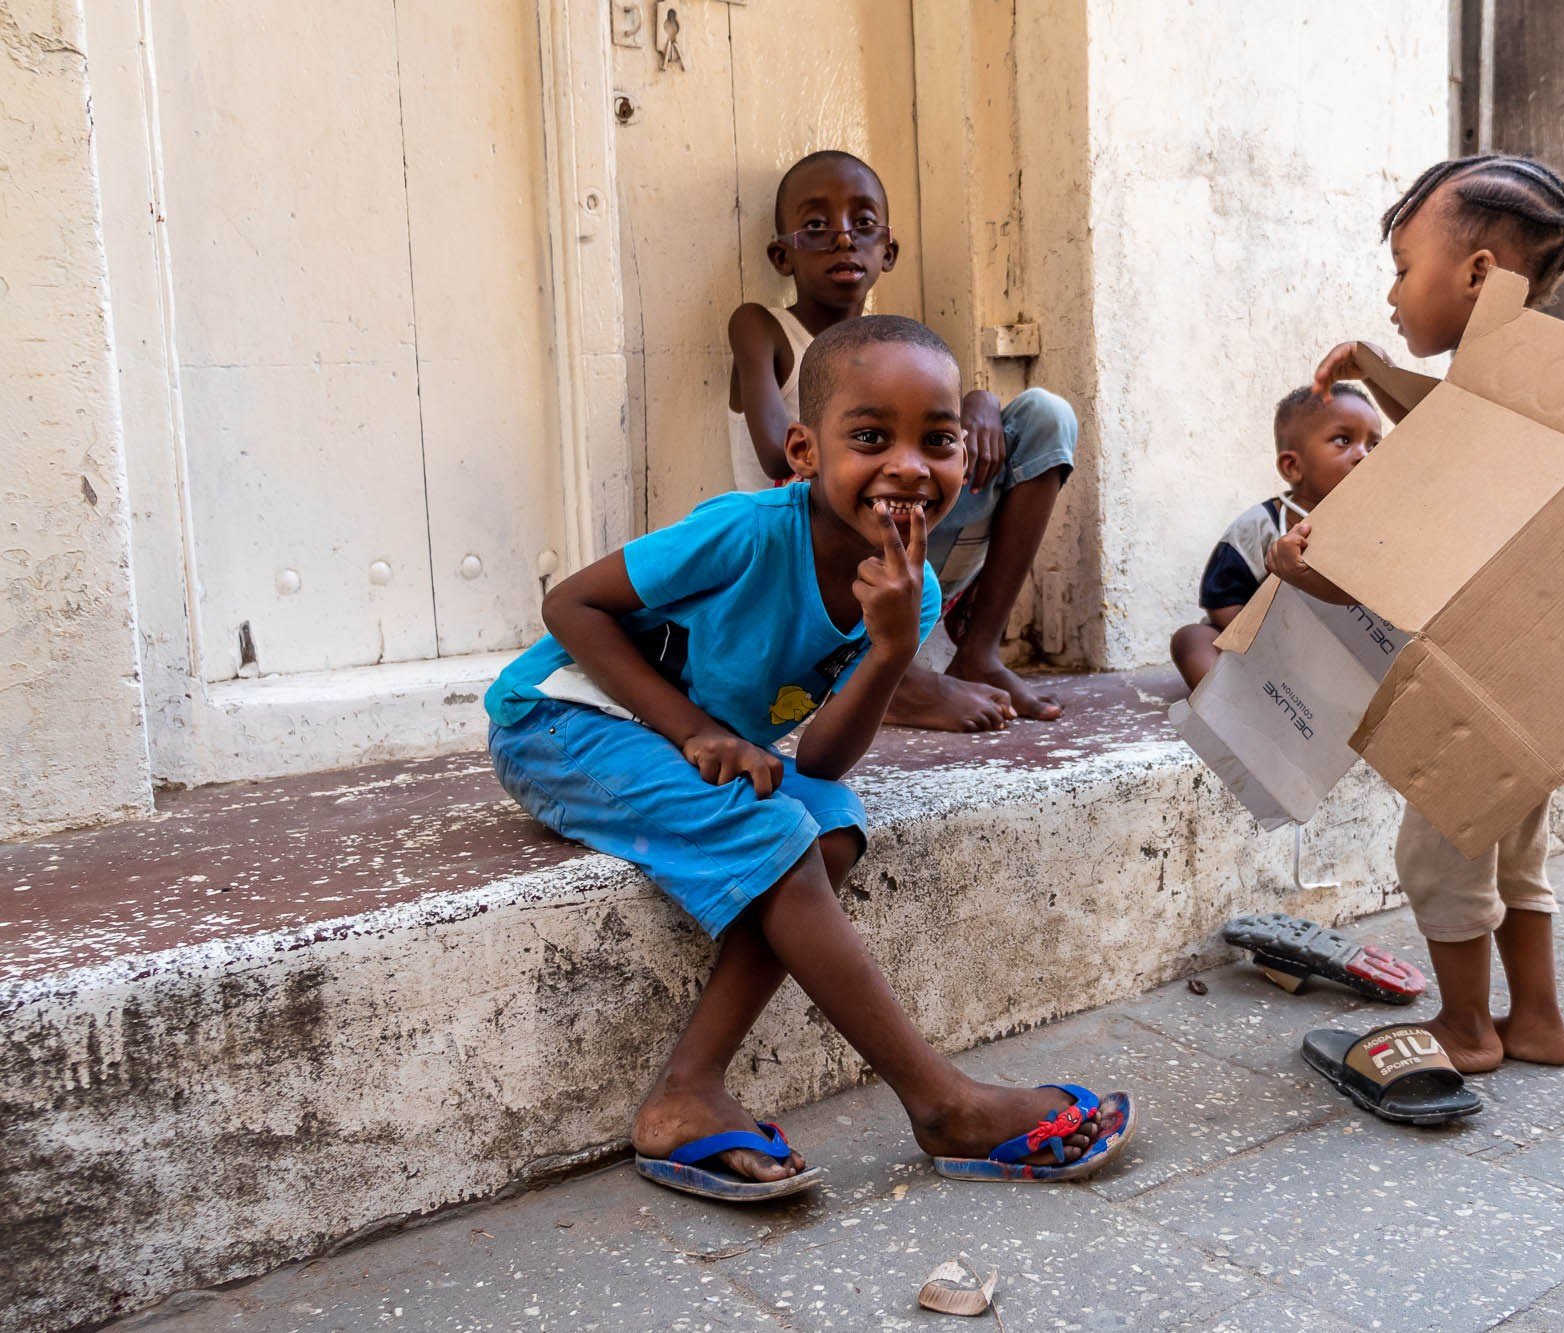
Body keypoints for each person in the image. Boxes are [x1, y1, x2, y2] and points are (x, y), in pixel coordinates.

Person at [488, 315, 1131, 1200]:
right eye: (871, 437)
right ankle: (940, 1100)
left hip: (678, 740)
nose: (909, 464)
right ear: (802, 450)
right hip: (563, 722)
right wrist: (693, 730)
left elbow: (824, 761)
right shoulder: (747, 532)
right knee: (781, 833)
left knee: (827, 826)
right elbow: (572, 606)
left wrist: (893, 650)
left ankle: (687, 1091)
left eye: (937, 440)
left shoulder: (914, 583)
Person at [1268, 154, 1564, 1075]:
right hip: (1544, 672)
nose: (1390, 294)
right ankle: (1537, 1019)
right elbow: (1444, 427)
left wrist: (1306, 573)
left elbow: (1414, 567)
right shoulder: (1530, 386)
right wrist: (1379, 374)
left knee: (1441, 851)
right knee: (1513, 848)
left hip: (1479, 673)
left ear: (1479, 275)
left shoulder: (1488, 401)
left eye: (1404, 267)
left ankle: (1466, 1026)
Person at [728, 150, 1077, 732]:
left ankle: (980, 650)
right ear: (781, 255)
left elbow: (932, 442)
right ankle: (888, 679)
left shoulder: (899, 349)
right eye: (817, 226)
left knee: (1045, 414)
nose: (843, 239)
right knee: (857, 479)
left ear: (887, 251)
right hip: (811, 554)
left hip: (906, 545)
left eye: (863, 225)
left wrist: (978, 404)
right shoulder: (761, 326)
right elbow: (775, 456)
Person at [1169, 384, 1380, 690]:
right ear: (1292, 466)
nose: (1364, 455)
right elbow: (1221, 597)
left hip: (1335, 661)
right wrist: (1259, 641)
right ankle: (1225, 702)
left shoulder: (1379, 526)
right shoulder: (1259, 526)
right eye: (1343, 440)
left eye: (1374, 445)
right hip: (1259, 648)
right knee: (1192, 639)